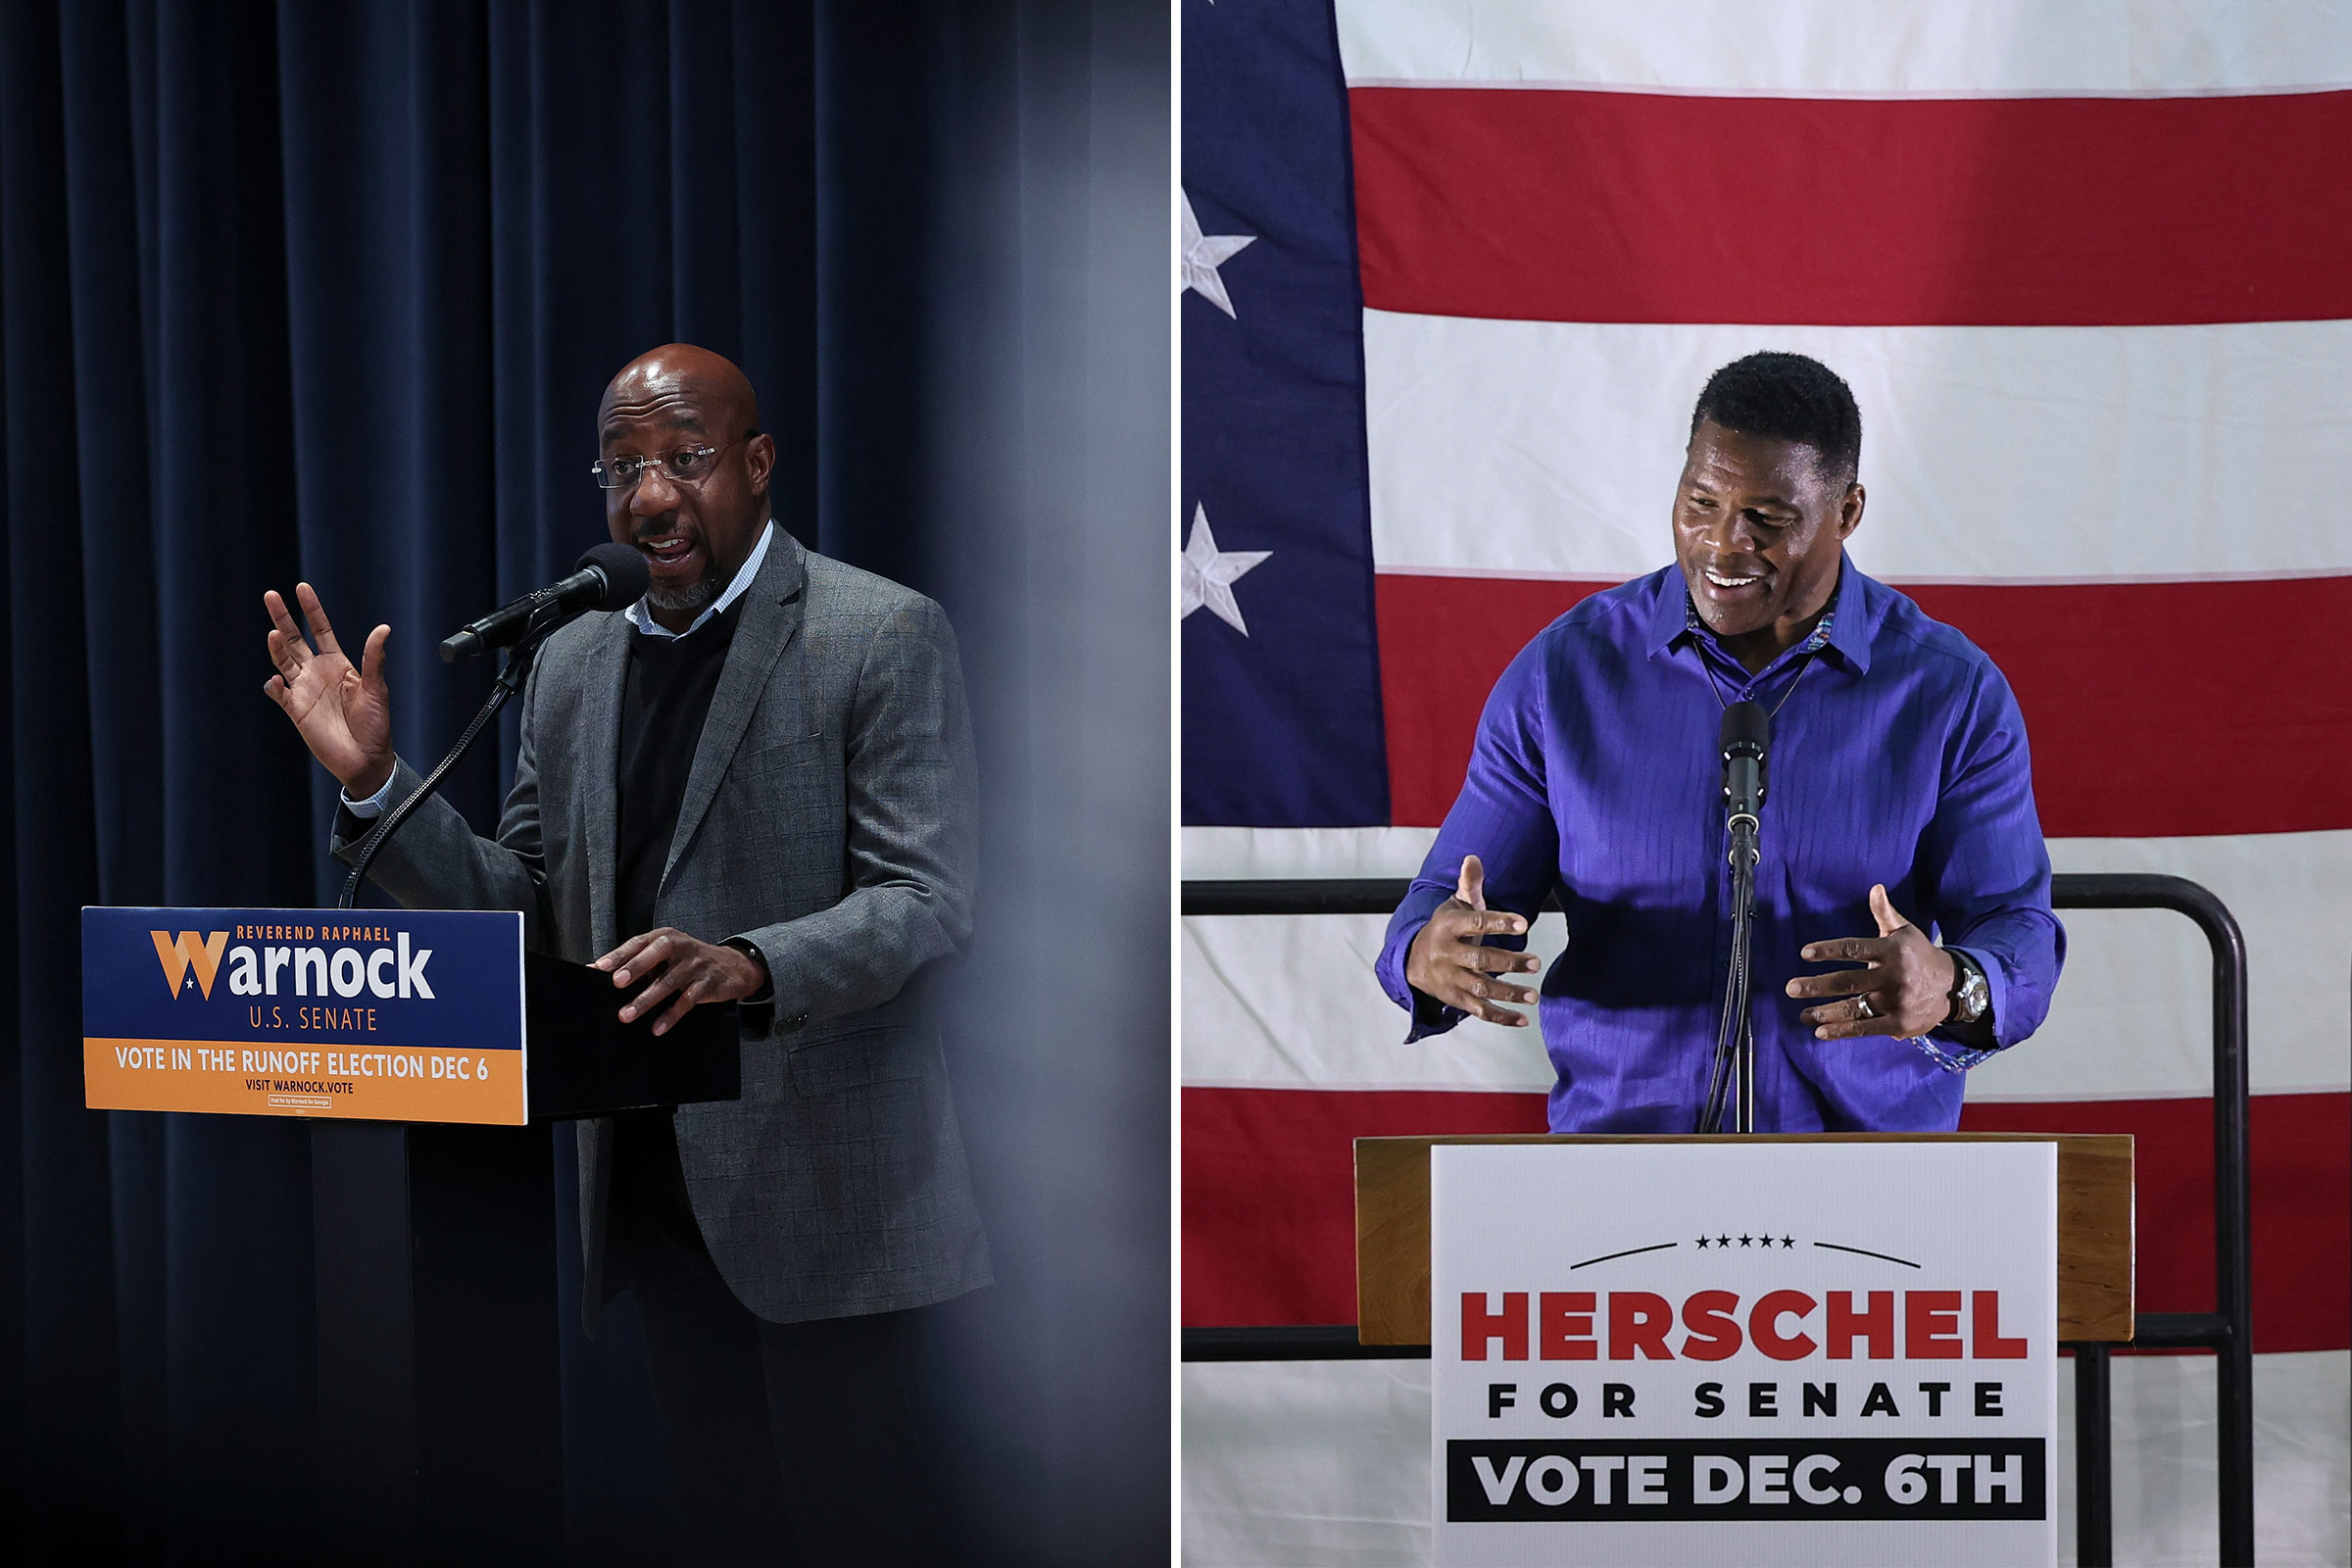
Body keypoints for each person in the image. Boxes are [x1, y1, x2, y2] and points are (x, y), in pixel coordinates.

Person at [263, 343, 986, 1563]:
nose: (650, 495)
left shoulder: (880, 633)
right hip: (651, 1197)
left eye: (685, 459)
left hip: (838, 1215)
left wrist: (750, 961)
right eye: (623, 467)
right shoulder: (570, 659)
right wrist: (378, 782)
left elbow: (927, 898)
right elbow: (526, 904)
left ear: (757, 465)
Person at [1376, 351, 2064, 1133]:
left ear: (1847, 512)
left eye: (1767, 520)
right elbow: (1439, 903)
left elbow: (2020, 930)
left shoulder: (1951, 693)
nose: (1721, 544)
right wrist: (1430, 957)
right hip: (1619, 1166)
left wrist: (1954, 985)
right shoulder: (1562, 677)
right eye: (1700, 501)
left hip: (1870, 1179)